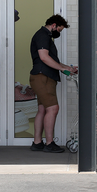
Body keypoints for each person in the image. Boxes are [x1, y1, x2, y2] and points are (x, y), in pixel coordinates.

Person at [29, 15, 77, 153]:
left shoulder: (44, 35)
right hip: (42, 77)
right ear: (54, 25)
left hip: (42, 77)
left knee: (43, 109)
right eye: (59, 30)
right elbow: (44, 57)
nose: (58, 33)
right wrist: (63, 69)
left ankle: (37, 142)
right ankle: (49, 143)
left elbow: (51, 60)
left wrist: (68, 68)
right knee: (53, 108)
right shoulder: (43, 35)